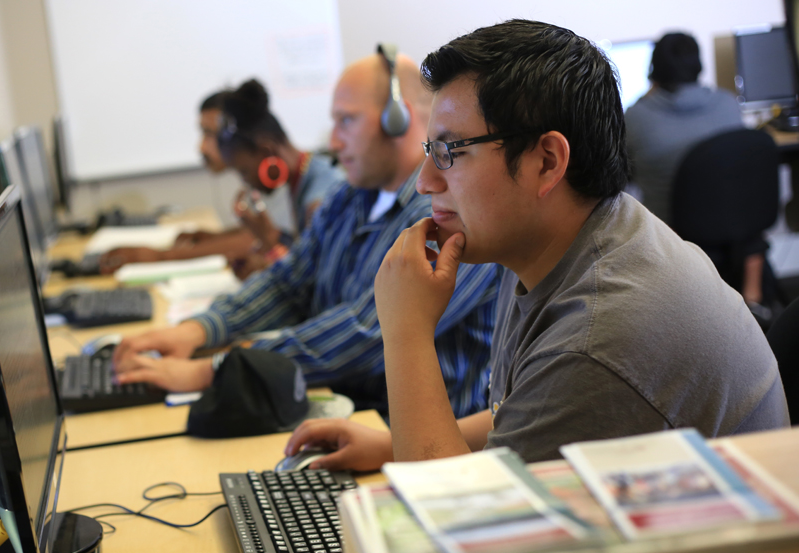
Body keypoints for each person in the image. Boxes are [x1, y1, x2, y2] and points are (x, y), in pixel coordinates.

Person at [283, 20, 789, 471]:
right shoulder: (565, 238)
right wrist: (394, 444)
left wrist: (406, 331)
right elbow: (520, 414)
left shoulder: (599, 337)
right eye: (427, 150)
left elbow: (451, 537)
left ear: (546, 162)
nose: (424, 181)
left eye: (448, 152)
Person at [109, 49, 502, 417]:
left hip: (410, 440)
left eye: (346, 120)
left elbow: (364, 333)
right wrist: (199, 330)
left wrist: (213, 369)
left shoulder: (447, 217)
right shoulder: (349, 197)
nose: (332, 141)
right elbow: (287, 283)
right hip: (344, 411)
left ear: (395, 120)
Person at [100, 81, 342, 277]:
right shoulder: (300, 179)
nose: (247, 183)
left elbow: (314, 286)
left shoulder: (318, 201)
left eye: (245, 172)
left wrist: (268, 247)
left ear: (268, 154)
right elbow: (293, 251)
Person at [625, 33, 743, 226]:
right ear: (698, 66)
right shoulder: (729, 104)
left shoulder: (635, 117)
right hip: (731, 237)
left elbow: (619, 179)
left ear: (654, 71)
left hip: (670, 244)